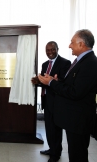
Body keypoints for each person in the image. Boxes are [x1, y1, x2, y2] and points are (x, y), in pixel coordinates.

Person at [38, 29, 97, 162]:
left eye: (72, 42)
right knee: (75, 153)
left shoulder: (90, 64)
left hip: (79, 120)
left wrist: (52, 82)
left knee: (78, 155)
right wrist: (59, 81)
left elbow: (75, 92)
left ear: (81, 44)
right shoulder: (81, 61)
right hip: (74, 119)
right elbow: (73, 85)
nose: (69, 45)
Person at [32, 41, 71, 162]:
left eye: (52, 49)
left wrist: (54, 81)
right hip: (46, 100)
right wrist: (37, 82)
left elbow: (65, 83)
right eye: (48, 50)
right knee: (48, 128)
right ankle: (51, 149)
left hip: (57, 102)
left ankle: (56, 154)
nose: (50, 52)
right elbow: (45, 82)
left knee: (56, 129)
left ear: (57, 49)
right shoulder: (44, 65)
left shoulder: (65, 63)